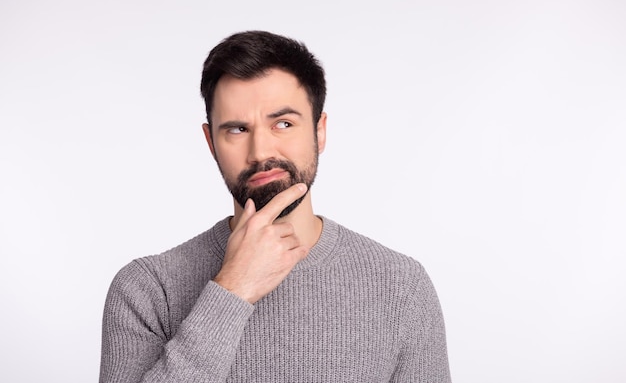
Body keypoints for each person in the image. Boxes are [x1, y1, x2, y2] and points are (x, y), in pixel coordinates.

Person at [100, 30, 452, 382]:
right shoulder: (147, 290)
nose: (261, 152)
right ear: (211, 143)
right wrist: (233, 289)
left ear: (319, 131)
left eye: (283, 124)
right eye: (237, 130)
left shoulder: (401, 286)